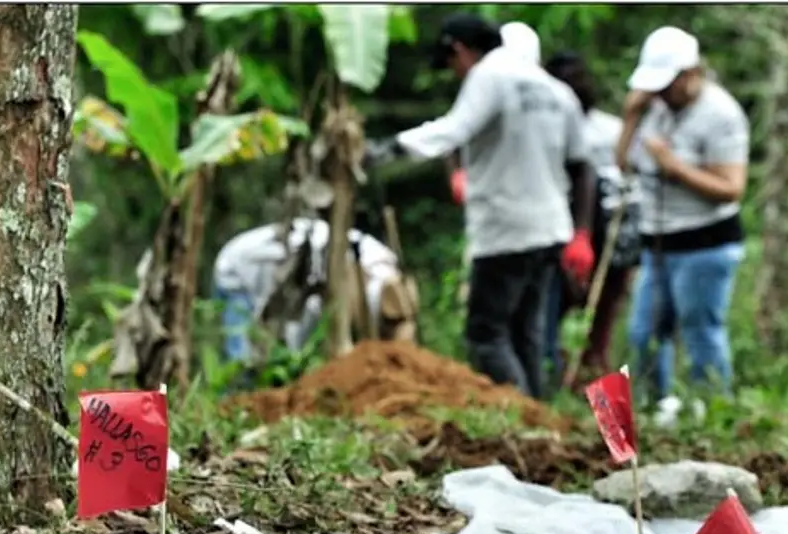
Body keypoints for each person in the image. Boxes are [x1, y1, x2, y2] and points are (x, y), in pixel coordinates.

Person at [367, 14, 594, 400]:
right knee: (526, 333)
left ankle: (520, 413)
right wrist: (582, 231)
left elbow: (453, 129)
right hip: (551, 228)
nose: (456, 74)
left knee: (486, 334)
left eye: (451, 64)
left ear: (459, 50)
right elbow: (582, 163)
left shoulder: (490, 75)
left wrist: (387, 149)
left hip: (506, 228)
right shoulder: (554, 89)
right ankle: (537, 413)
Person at [615, 26, 750, 407]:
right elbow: (623, 163)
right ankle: (656, 408)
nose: (660, 93)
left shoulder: (721, 114)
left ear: (690, 74)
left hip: (705, 244)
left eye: (666, 85)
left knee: (700, 333)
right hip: (658, 243)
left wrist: (674, 167)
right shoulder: (655, 109)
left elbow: (732, 187)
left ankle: (713, 408)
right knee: (643, 334)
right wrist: (630, 116)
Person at [543, 50, 643, 388]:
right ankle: (557, 380)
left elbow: (630, 185)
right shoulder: (547, 131)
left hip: (609, 239)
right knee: (553, 315)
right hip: (559, 232)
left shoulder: (609, 130)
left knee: (601, 325)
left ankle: (596, 389)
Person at [212, 217, 418, 376]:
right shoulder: (340, 275)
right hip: (238, 270)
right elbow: (300, 326)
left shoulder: (384, 265)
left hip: (276, 270)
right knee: (243, 360)